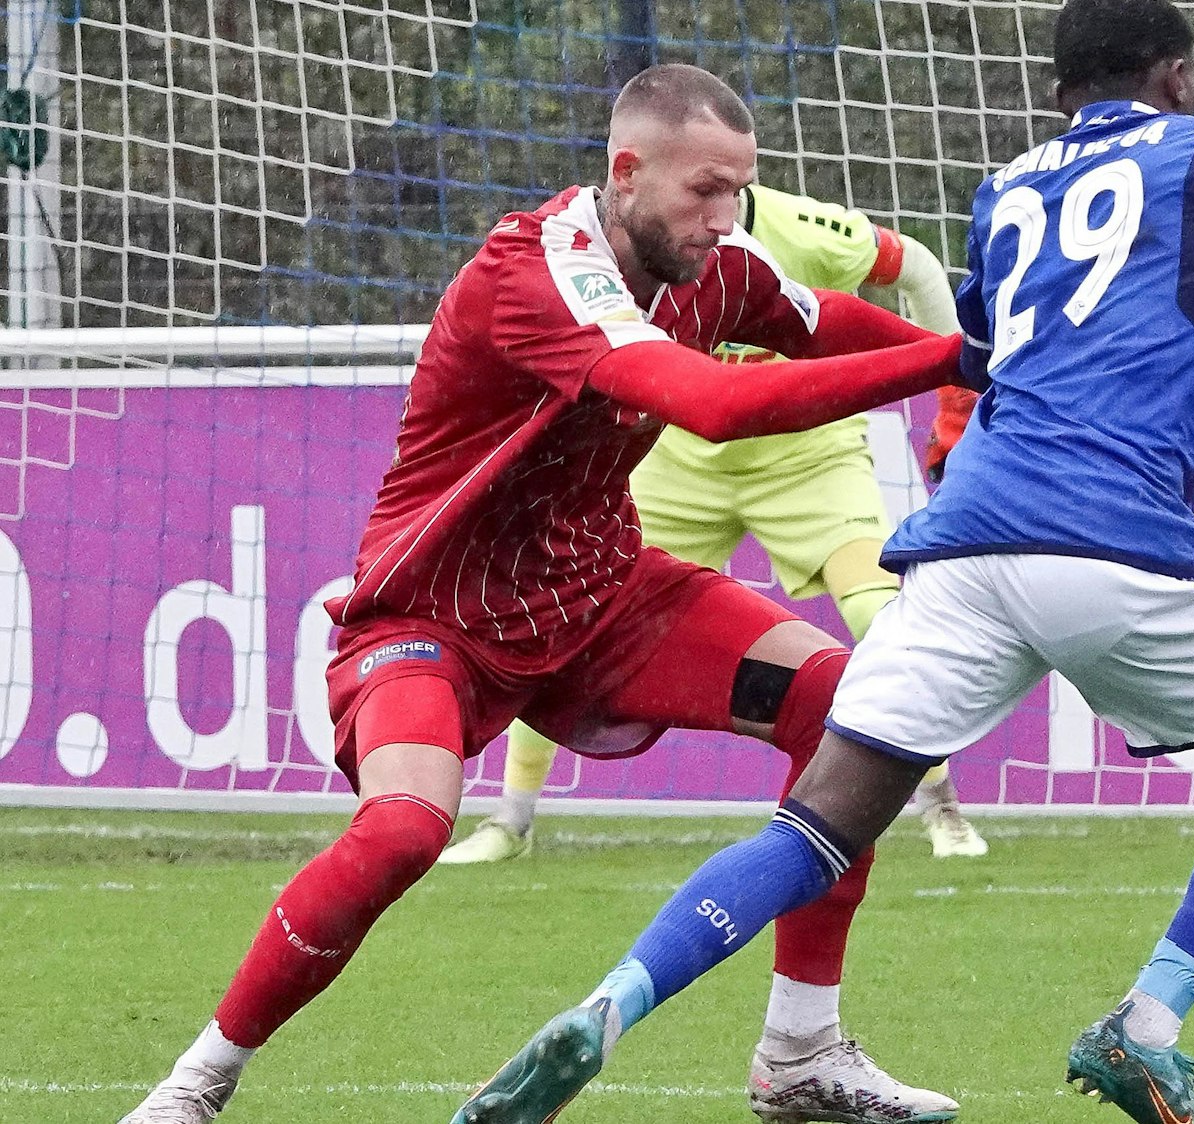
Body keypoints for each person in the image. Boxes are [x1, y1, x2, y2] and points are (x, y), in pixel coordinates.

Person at [451, 3, 1194, 1122]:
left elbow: (979, 350)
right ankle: (1145, 1024)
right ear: (1180, 75)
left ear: (1059, 91)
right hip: (1111, 542)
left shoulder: (1011, 187)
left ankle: (608, 1004)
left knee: (816, 823)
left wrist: (956, 456)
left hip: (962, 546)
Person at [119, 64, 964, 1124]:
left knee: (850, 710)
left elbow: (816, 317)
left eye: (738, 191)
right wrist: (947, 357)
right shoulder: (536, 271)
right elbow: (711, 403)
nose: (725, 216)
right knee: (403, 831)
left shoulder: (718, 263)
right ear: (626, 172)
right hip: (436, 615)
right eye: (704, 191)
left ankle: (800, 1051)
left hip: (604, 595)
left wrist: (981, 353)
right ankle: (193, 1083)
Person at [439, 181, 987, 867]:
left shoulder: (799, 231)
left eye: (723, 187)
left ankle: (943, 810)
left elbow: (915, 269)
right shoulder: (607, 251)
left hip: (804, 460)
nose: (712, 216)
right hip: (680, 456)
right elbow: (697, 395)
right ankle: (509, 820)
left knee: (877, 613)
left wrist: (960, 392)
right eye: (696, 186)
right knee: (567, 613)